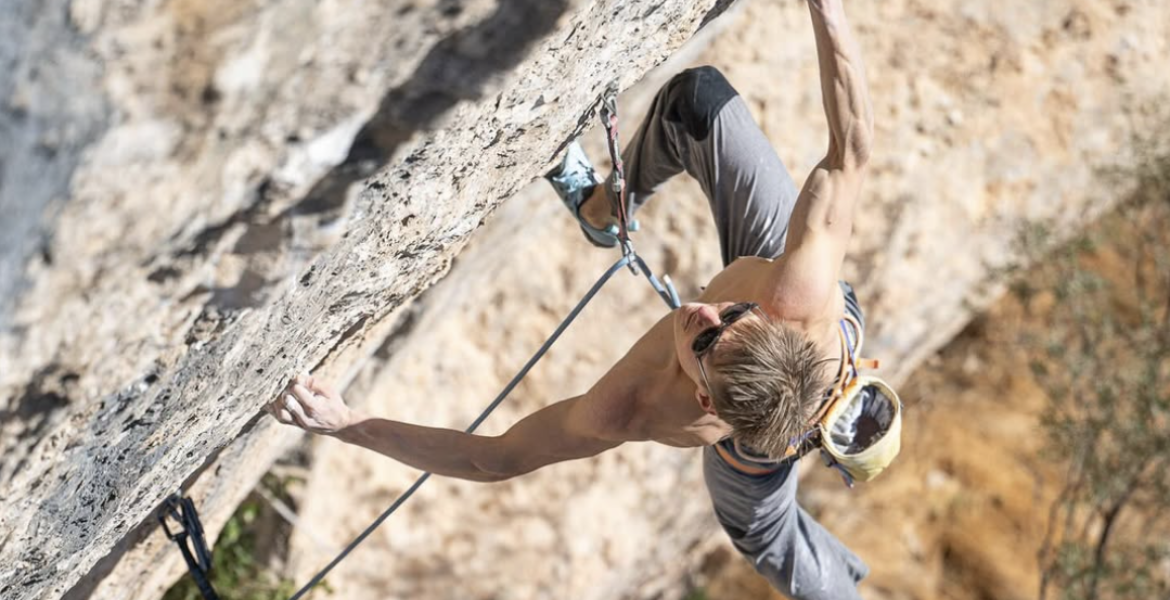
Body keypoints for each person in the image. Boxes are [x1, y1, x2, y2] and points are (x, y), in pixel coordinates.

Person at [267, 0, 874, 597]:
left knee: (771, 540)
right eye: (733, 314)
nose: (701, 311)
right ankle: (600, 210)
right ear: (773, 317)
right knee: (696, 102)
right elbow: (851, 150)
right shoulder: (795, 290)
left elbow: (496, 459)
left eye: (706, 340)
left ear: (700, 392)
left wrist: (348, 425)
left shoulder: (639, 408)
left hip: (758, 443)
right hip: (804, 341)